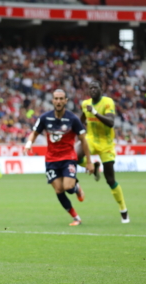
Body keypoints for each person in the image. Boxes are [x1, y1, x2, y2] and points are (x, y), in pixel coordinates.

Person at [24, 89, 94, 226]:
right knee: (58, 190)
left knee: (68, 187)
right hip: (51, 160)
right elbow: (34, 133)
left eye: (61, 98)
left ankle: (76, 187)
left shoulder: (73, 119)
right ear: (52, 100)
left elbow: (83, 141)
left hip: (68, 158)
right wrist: (28, 144)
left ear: (66, 101)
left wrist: (89, 162)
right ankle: (76, 218)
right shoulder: (45, 117)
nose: (58, 101)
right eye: (56, 98)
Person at [76, 81, 129, 223]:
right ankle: (93, 168)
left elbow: (111, 122)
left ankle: (123, 209)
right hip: (91, 140)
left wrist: (94, 112)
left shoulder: (108, 102)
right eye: (91, 88)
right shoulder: (85, 103)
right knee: (73, 155)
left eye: (96, 88)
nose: (93, 90)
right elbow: (81, 119)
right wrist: (76, 130)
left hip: (106, 144)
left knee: (110, 179)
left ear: (101, 89)